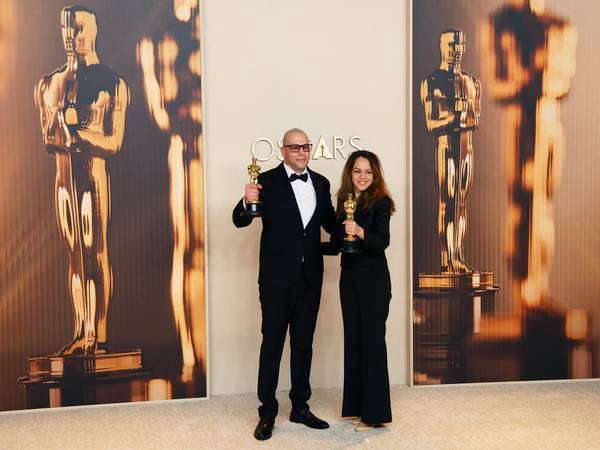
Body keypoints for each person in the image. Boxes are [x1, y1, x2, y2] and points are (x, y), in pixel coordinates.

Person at [35, 6, 128, 355]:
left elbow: (113, 143)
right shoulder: (49, 84)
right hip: (63, 181)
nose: (70, 36)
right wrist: (67, 131)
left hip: (91, 177)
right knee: (74, 255)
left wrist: (75, 133)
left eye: (77, 28)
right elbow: (48, 140)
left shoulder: (111, 82)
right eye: (65, 28)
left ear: (93, 29)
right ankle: (80, 331)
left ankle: (96, 334)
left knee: (94, 252)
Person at [232, 128, 336, 441]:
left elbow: (330, 223)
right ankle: (267, 412)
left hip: (310, 279)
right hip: (276, 280)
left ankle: (300, 407)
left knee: (304, 344)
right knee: (273, 343)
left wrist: (354, 229)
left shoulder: (321, 183)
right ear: (283, 150)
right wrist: (245, 200)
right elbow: (240, 219)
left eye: (306, 147)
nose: (302, 152)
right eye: (295, 147)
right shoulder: (267, 181)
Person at [334, 150, 395, 430]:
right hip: (349, 280)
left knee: (372, 343)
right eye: (358, 171)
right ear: (350, 173)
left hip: (373, 281)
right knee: (354, 341)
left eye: (368, 172)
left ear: (375, 175)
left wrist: (359, 231)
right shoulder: (344, 199)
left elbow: (382, 241)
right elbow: (338, 241)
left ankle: (375, 415)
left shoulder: (381, 201)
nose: (363, 176)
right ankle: (356, 408)